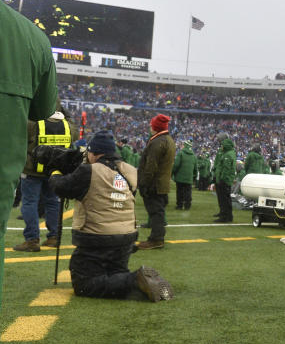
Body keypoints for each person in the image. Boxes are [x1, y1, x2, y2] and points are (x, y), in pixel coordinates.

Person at [47, 131, 173, 301]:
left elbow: (61, 187)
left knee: (84, 283)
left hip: (97, 238)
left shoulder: (89, 171)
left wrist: (54, 172)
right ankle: (139, 284)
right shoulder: (130, 170)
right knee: (114, 273)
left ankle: (134, 280)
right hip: (126, 239)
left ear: (94, 152)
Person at [0, 0, 59, 305]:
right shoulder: (32, 38)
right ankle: (51, 236)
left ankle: (34, 238)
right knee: (49, 203)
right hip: (41, 169)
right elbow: (43, 110)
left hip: (31, 169)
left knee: (32, 205)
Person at [14, 110, 75, 252]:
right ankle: (54, 237)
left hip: (31, 170)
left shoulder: (33, 124)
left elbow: (20, 138)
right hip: (54, 170)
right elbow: (75, 137)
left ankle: (32, 240)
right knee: (53, 202)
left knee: (29, 202)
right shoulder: (68, 126)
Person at [137, 114, 175, 250]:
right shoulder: (168, 140)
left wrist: (143, 183)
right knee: (157, 212)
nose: (150, 127)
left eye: (152, 125)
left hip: (155, 184)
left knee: (155, 213)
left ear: (156, 127)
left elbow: (151, 166)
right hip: (161, 183)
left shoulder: (158, 142)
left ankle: (156, 239)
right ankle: (156, 238)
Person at [212, 133, 237, 222]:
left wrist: (221, 178)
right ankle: (226, 215)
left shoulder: (228, 154)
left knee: (224, 199)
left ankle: (225, 216)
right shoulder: (228, 152)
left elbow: (226, 168)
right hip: (223, 178)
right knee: (224, 198)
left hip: (224, 179)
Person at [172, 140, 197, 210]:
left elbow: (176, 165)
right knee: (188, 192)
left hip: (180, 177)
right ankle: (187, 205)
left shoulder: (181, 154)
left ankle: (179, 205)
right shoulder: (194, 156)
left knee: (179, 191)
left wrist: (172, 173)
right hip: (189, 178)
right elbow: (195, 169)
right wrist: (194, 177)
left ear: (185, 145)